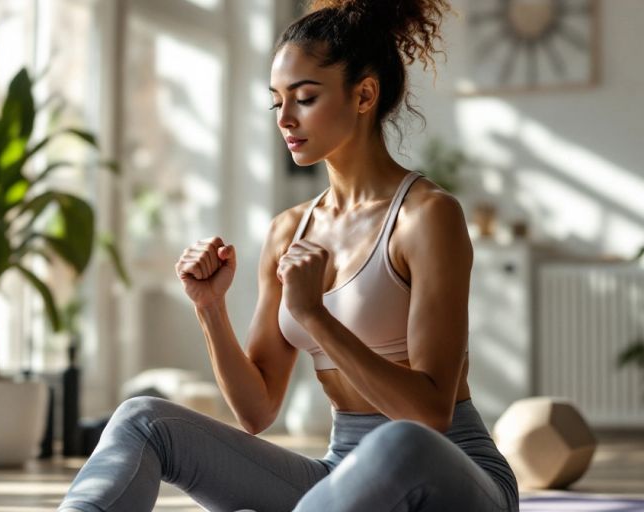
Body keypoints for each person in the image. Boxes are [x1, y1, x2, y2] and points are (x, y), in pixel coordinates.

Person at [58, 0, 519, 510]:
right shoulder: (288, 231)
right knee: (144, 419)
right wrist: (210, 307)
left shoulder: (427, 216)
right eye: (276, 101)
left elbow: (430, 413)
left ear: (364, 94)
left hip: (450, 472)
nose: (286, 118)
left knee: (399, 440)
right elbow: (256, 411)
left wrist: (313, 315)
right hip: (337, 477)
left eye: (304, 97)